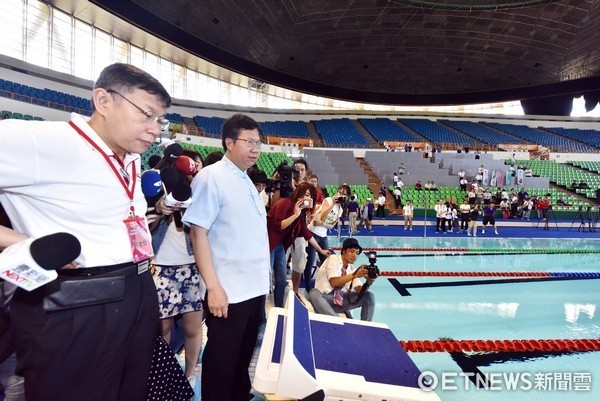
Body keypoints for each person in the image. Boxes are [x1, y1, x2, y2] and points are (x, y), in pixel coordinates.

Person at [0, 63, 171, 400]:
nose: (155, 130)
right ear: (103, 101)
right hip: (78, 302)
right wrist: (22, 242)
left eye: (160, 121)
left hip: (136, 290)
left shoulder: (131, 157)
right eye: (146, 115)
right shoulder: (39, 140)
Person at [183, 113, 270, 401]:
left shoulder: (245, 179)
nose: (256, 148)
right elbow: (198, 233)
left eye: (258, 142)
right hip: (229, 290)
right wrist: (213, 287)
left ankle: (238, 395)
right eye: (249, 142)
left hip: (254, 288)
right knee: (222, 360)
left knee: (242, 358)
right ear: (229, 142)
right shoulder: (212, 177)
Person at [152, 150, 204, 385]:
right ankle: (161, 375)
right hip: (161, 266)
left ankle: (189, 375)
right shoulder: (157, 188)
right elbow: (143, 223)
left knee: (193, 328)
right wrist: (159, 208)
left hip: (191, 267)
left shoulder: (198, 193)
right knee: (162, 329)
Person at [269, 182, 330, 306]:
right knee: (266, 279)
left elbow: (304, 231)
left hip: (279, 245)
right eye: (306, 194)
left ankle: (279, 307)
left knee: (281, 280)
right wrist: (295, 215)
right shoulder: (285, 203)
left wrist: (321, 250)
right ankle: (260, 313)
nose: (307, 198)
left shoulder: (301, 211)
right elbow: (277, 226)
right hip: (269, 244)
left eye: (311, 197)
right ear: (299, 193)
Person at [309, 238, 376, 321]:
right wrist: (354, 275)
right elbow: (333, 282)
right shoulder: (333, 259)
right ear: (344, 251)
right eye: (352, 252)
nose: (355, 256)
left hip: (341, 301)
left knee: (369, 296)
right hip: (326, 299)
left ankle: (366, 327)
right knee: (313, 292)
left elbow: (360, 290)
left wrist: (369, 282)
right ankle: (337, 320)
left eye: (357, 253)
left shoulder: (351, 268)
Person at [300, 184, 351, 294]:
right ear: (337, 192)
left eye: (345, 195)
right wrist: (333, 203)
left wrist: (322, 223)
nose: (342, 195)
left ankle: (326, 288)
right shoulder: (328, 200)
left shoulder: (340, 209)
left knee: (327, 261)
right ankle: (309, 289)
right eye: (341, 192)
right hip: (312, 232)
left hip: (323, 235)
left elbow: (330, 226)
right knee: (310, 261)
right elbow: (323, 214)